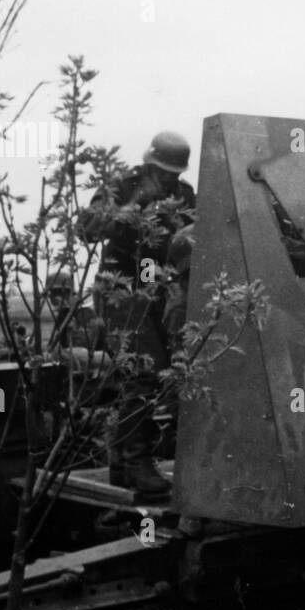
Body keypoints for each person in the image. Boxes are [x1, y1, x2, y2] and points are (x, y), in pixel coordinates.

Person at [80, 131, 196, 496]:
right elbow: (86, 229)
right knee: (143, 373)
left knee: (161, 374)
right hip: (119, 291)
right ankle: (136, 463)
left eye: (173, 174)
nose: (168, 181)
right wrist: (133, 209)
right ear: (148, 164)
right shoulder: (123, 185)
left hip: (158, 292)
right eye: (162, 173)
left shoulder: (185, 194)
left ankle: (121, 466)